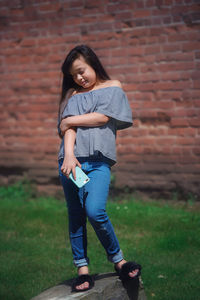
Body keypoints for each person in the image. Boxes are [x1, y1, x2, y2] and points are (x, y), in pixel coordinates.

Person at [58, 45, 141, 292]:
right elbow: (68, 132)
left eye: (81, 71)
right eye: (74, 75)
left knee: (95, 211)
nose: (79, 78)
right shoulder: (73, 94)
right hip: (73, 163)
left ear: (93, 63)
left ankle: (118, 261)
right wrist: (70, 156)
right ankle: (82, 269)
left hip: (97, 164)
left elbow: (103, 117)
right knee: (76, 215)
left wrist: (69, 119)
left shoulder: (112, 87)